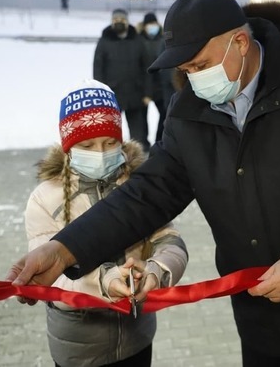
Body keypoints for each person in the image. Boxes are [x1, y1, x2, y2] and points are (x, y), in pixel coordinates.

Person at [7, 0, 280, 367]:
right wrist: (64, 249)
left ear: (241, 43)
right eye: (186, 70)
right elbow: (149, 193)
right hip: (258, 303)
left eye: (200, 66)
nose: (194, 78)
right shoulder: (189, 111)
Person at [24, 79, 188, 367]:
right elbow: (55, 274)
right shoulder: (44, 199)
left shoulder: (139, 188)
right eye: (87, 145)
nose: (100, 153)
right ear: (69, 146)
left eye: (110, 143)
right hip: (79, 348)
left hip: (137, 338)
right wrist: (107, 280)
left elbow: (169, 240)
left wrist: (156, 271)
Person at [93, 8, 152, 152]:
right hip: (112, 95)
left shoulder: (136, 40)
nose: (118, 22)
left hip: (135, 94)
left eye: (121, 19)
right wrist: (101, 95)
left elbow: (147, 68)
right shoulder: (104, 41)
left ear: (127, 21)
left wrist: (147, 93)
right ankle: (110, 156)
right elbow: (98, 69)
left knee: (138, 133)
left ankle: (138, 160)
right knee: (110, 130)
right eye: (115, 20)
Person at [137, 12, 177, 142]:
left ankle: (159, 141)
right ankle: (144, 142)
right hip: (143, 85)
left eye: (153, 24)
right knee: (142, 118)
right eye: (149, 24)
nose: (151, 26)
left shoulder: (163, 40)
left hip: (160, 86)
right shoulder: (138, 41)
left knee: (164, 114)